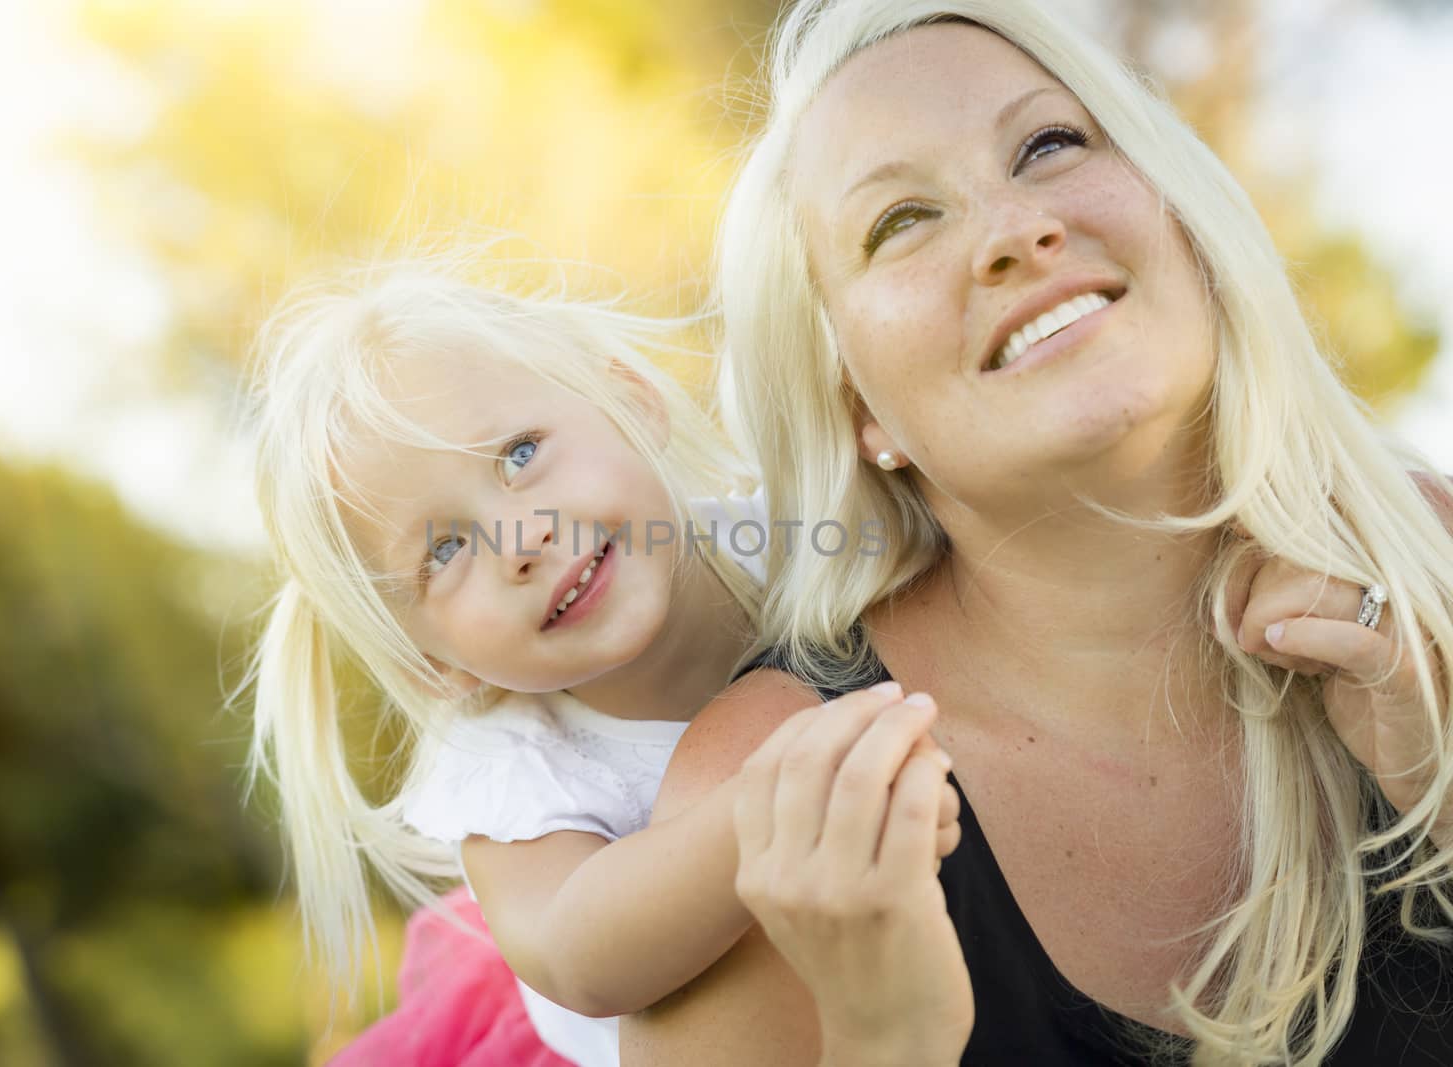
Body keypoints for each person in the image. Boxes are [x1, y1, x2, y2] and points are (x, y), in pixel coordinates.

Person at [620, 2, 1453, 1065]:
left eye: (1047, 145)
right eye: (901, 221)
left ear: (1178, 210)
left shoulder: (1431, 563)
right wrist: (891, 1036)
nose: (1016, 231)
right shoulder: (772, 782)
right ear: (858, 408)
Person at [237, 252, 964, 1065]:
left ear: (631, 399)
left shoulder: (787, 532)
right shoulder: (508, 762)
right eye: (445, 549)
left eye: (519, 454)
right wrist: (779, 806)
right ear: (436, 665)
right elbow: (578, 955)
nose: (522, 539)